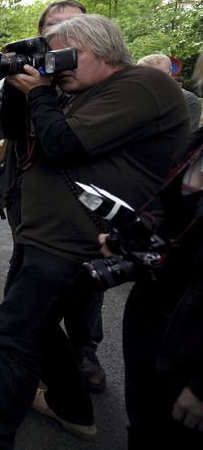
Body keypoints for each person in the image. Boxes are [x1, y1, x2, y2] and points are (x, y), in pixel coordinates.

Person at [0, 14, 190, 450]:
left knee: (15, 331)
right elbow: (21, 134)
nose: (56, 66)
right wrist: (17, 86)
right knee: (39, 331)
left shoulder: (141, 85)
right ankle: (73, 409)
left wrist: (42, 94)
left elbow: (63, 142)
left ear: (99, 51)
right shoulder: (79, 90)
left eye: (63, 55)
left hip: (73, 241)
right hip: (45, 234)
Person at [0, 0, 109, 394]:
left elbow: (73, 141)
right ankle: (13, 325)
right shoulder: (30, 73)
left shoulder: (98, 82)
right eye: (51, 29)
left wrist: (46, 94)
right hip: (28, 191)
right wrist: (23, 87)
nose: (59, 38)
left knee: (85, 283)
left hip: (81, 203)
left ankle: (84, 351)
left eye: (71, 29)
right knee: (24, 269)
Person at [98, 119, 203, 449]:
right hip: (152, 306)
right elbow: (171, 209)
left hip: (191, 340)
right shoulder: (199, 140)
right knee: (142, 420)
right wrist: (128, 237)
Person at [137, 53, 201, 129]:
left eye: (161, 75)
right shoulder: (132, 97)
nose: (155, 80)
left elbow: (188, 135)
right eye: (148, 75)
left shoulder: (187, 99)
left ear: (170, 72)